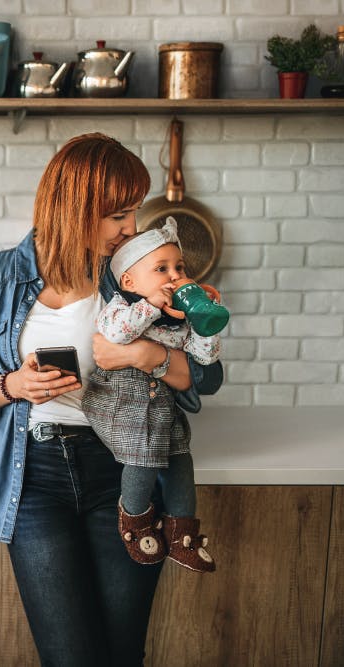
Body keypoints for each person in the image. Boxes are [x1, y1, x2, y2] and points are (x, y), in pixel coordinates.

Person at [0, 133, 223, 666]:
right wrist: (13, 386)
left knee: (122, 653)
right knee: (68, 657)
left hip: (124, 470)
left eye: (133, 212)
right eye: (118, 215)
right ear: (74, 208)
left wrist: (146, 355)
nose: (131, 228)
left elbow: (206, 378)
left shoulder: (134, 276)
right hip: (34, 477)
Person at [83, 217, 221, 574]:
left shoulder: (179, 317)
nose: (175, 276)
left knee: (180, 461)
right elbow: (117, 334)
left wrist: (204, 322)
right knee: (142, 459)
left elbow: (204, 360)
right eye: (162, 269)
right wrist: (152, 306)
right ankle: (135, 521)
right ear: (129, 281)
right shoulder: (119, 306)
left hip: (162, 406)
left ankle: (181, 533)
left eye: (179, 268)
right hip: (124, 401)